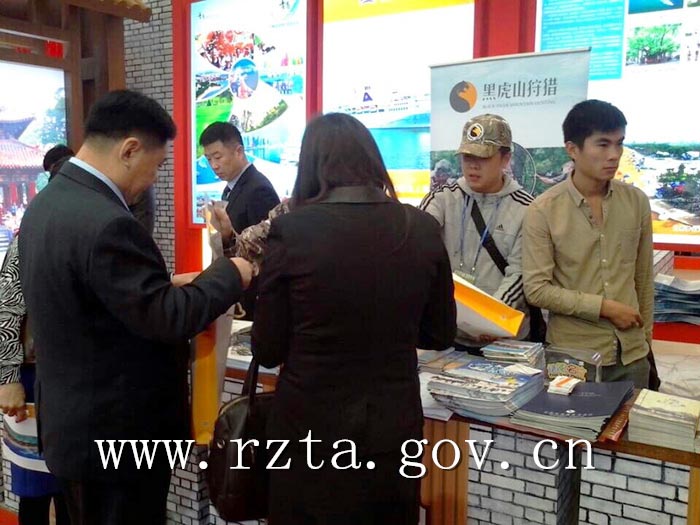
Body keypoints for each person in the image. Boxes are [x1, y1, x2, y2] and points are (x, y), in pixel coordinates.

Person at [17, 90, 253, 525]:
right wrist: (231, 273)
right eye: (157, 165)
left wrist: (163, 285)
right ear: (129, 150)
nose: (154, 178)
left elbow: (90, 296)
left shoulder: (47, 204)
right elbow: (168, 318)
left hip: (74, 429)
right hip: (118, 439)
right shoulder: (108, 222)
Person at [251, 113, 456, 525]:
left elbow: (268, 349)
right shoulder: (421, 228)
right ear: (372, 160)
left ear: (310, 165)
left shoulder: (292, 231)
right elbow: (439, 333)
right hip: (392, 428)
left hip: (308, 429)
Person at [522, 99, 655, 389]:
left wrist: (646, 342)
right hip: (572, 355)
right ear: (573, 149)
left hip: (632, 353)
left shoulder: (636, 202)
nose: (614, 155)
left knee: (632, 420)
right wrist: (603, 307)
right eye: (603, 144)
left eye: (619, 144)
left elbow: (644, 278)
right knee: (570, 420)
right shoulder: (543, 210)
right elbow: (536, 289)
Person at [419, 114, 535, 351]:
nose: (473, 165)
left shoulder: (527, 209)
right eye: (467, 157)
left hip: (503, 340)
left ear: (505, 159)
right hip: (449, 334)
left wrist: (491, 318)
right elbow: (417, 249)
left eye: (483, 157)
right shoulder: (442, 198)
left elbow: (520, 273)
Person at [200, 121, 279, 319]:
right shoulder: (230, 188)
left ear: (239, 151)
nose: (214, 165)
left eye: (218, 157)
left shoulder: (258, 189)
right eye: (209, 159)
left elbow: (266, 250)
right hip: (235, 287)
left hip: (252, 298)